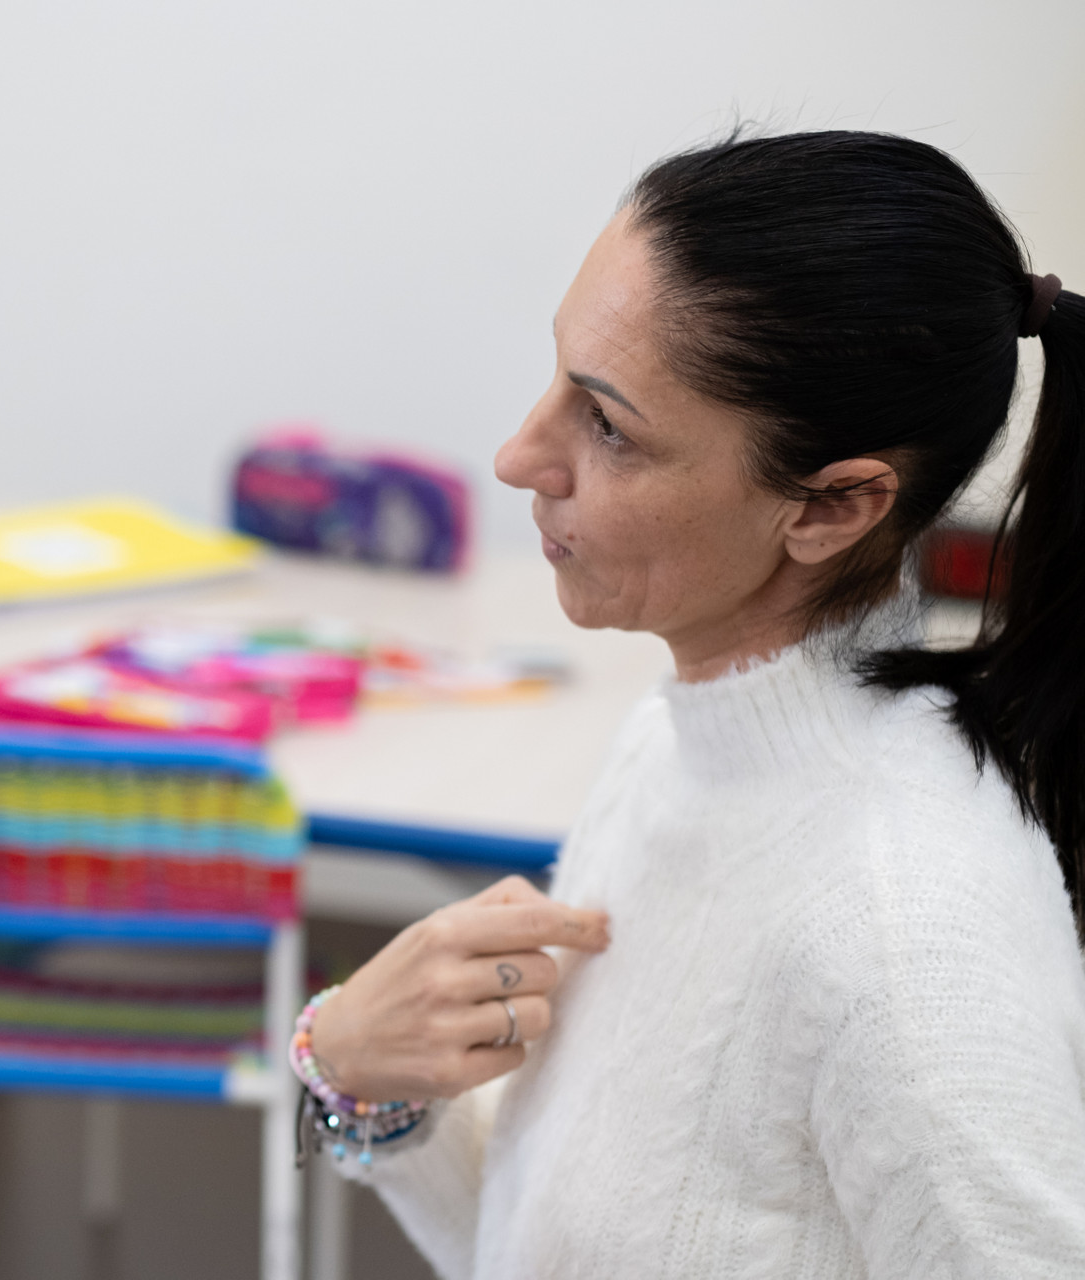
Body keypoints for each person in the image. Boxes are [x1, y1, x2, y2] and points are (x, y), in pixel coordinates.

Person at [296, 131, 1085, 1278]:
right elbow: (547, 1243)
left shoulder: (909, 938)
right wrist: (360, 1072)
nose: (521, 455)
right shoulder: (673, 740)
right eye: (559, 378)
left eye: (608, 426)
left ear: (832, 506)